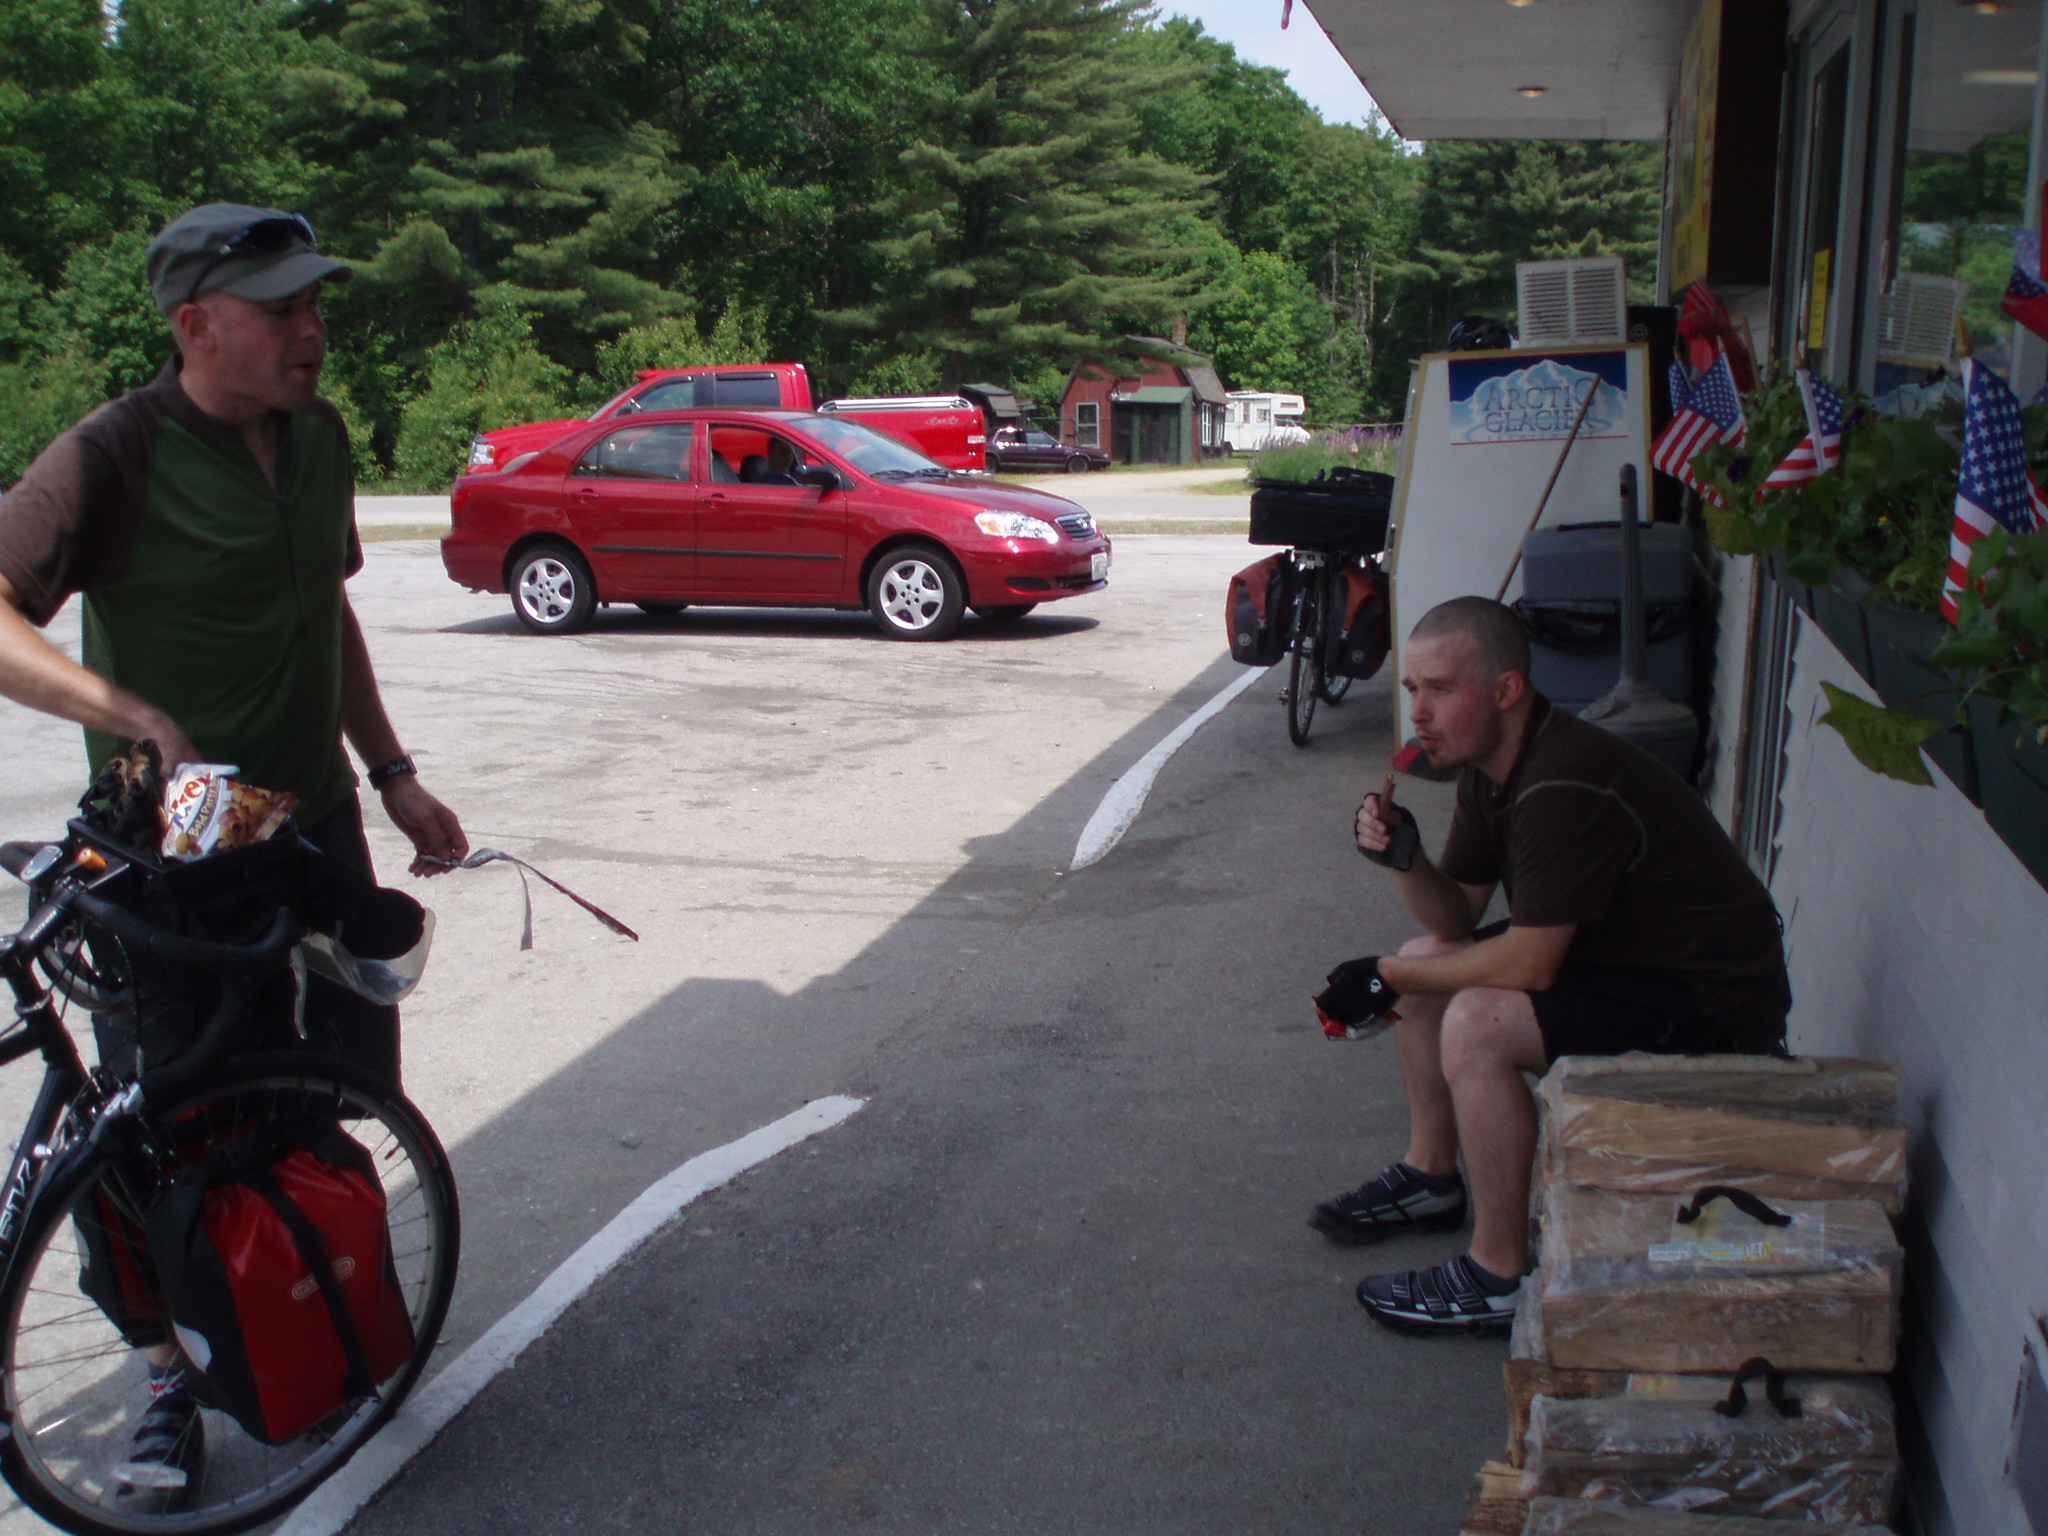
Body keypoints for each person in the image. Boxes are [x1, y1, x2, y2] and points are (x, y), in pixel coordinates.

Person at [0, 203, 469, 1504]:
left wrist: (392, 774)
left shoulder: (317, 441)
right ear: (196, 323)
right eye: (283, 309)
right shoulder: (113, 456)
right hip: (179, 846)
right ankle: (168, 1373)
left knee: (332, 1093)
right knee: (166, 1130)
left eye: (315, 304)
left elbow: (326, 607)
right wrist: (130, 717)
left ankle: (318, 1315)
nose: (313, 330)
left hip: (308, 822)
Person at [1314, 595, 1789, 1335]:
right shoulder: (1486, 765)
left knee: (1476, 1020)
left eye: (1440, 689)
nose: (1420, 713)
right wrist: (1403, 856)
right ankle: (1432, 1174)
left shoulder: (1563, 776)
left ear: (1507, 690)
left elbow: (1532, 965)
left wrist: (1386, 978)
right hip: (1626, 957)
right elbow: (1455, 920)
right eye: (1412, 690)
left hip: (1715, 999)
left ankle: (1498, 1274)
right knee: (1426, 960)